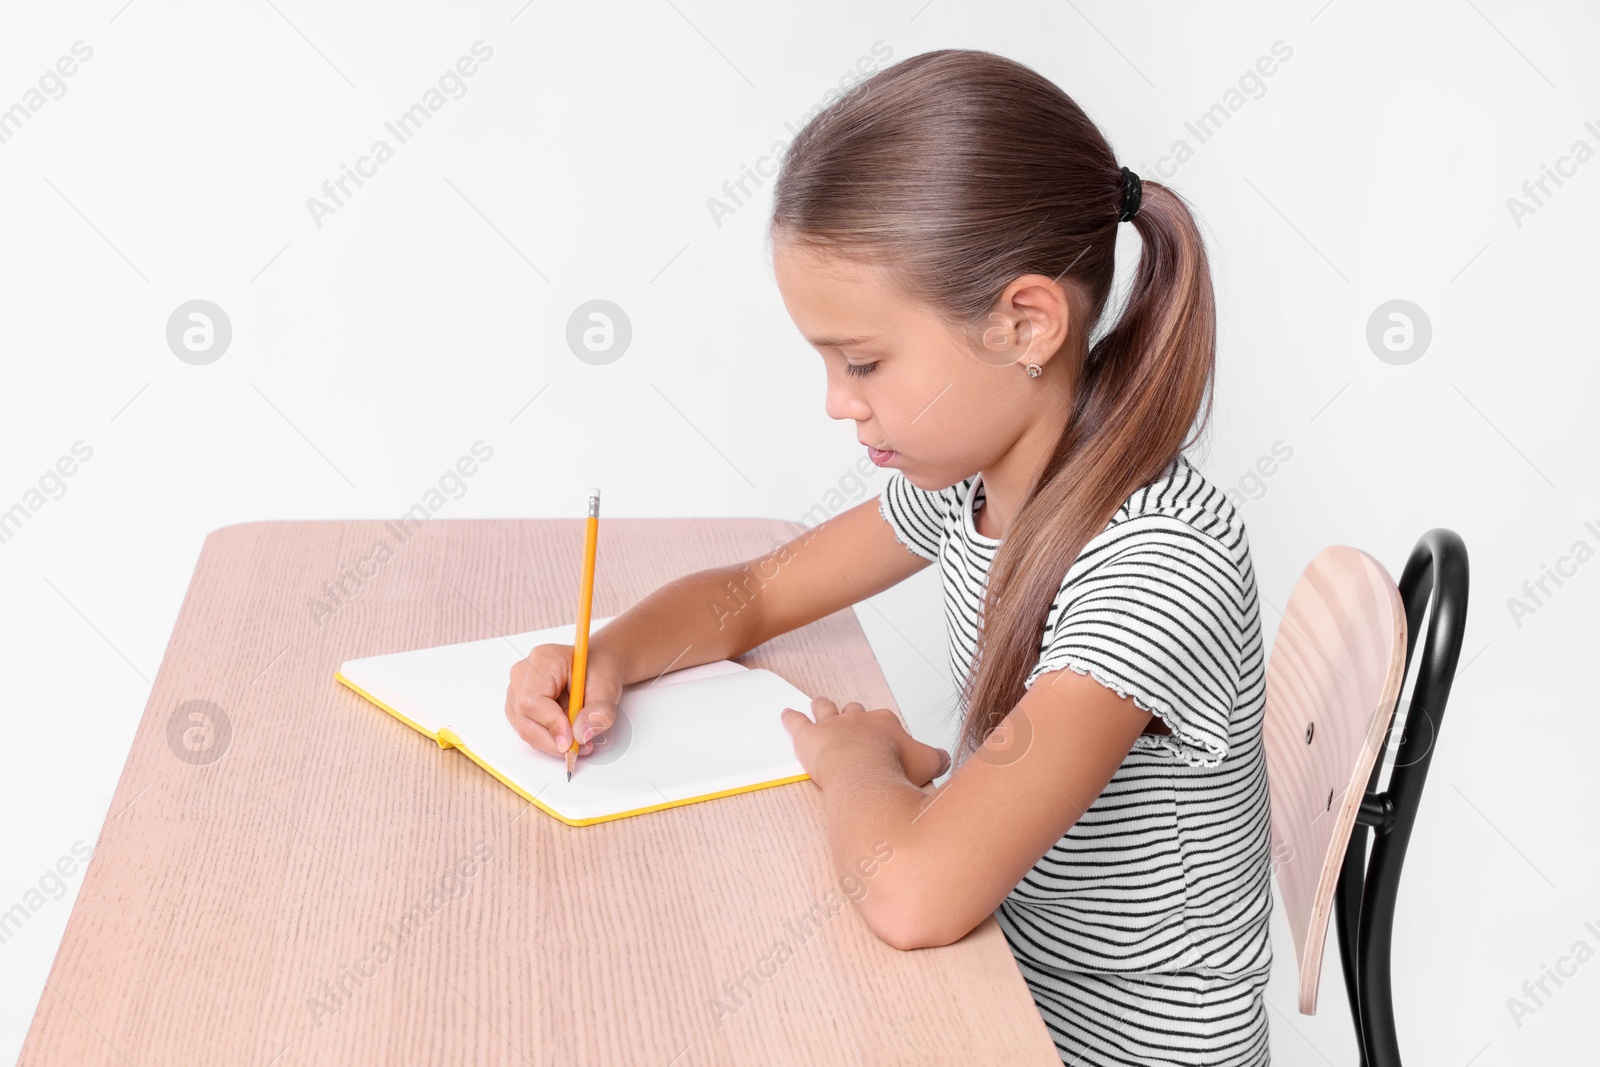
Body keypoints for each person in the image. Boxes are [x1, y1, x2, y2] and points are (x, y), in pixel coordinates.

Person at [506, 48, 1273, 1066]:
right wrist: (608, 652)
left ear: (1024, 322)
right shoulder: (970, 481)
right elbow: (752, 593)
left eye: (862, 360)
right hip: (998, 982)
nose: (837, 400)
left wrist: (858, 765)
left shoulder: (1154, 566)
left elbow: (913, 896)